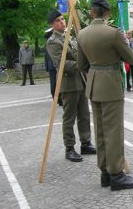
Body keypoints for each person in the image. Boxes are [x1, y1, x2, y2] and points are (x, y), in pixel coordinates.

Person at [76, 0, 133, 191]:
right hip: (111, 85)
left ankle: (105, 171)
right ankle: (116, 174)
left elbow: (81, 65)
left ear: (92, 12)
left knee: (101, 131)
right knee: (113, 131)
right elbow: (132, 58)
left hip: (94, 85)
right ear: (106, 12)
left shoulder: (82, 34)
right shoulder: (113, 33)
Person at [46, 9, 95, 162]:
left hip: (80, 80)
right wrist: (83, 64)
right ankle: (69, 147)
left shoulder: (70, 37)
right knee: (69, 117)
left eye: (62, 19)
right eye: (58, 20)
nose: (62, 22)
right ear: (52, 25)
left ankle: (85, 143)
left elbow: (77, 53)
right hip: (68, 83)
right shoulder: (53, 41)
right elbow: (61, 63)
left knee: (84, 115)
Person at [44, 28, 63, 106]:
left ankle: (57, 99)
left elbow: (45, 57)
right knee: (56, 82)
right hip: (54, 64)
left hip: (51, 65)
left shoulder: (48, 42)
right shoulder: (52, 42)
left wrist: (47, 67)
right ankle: (59, 99)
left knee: (54, 82)